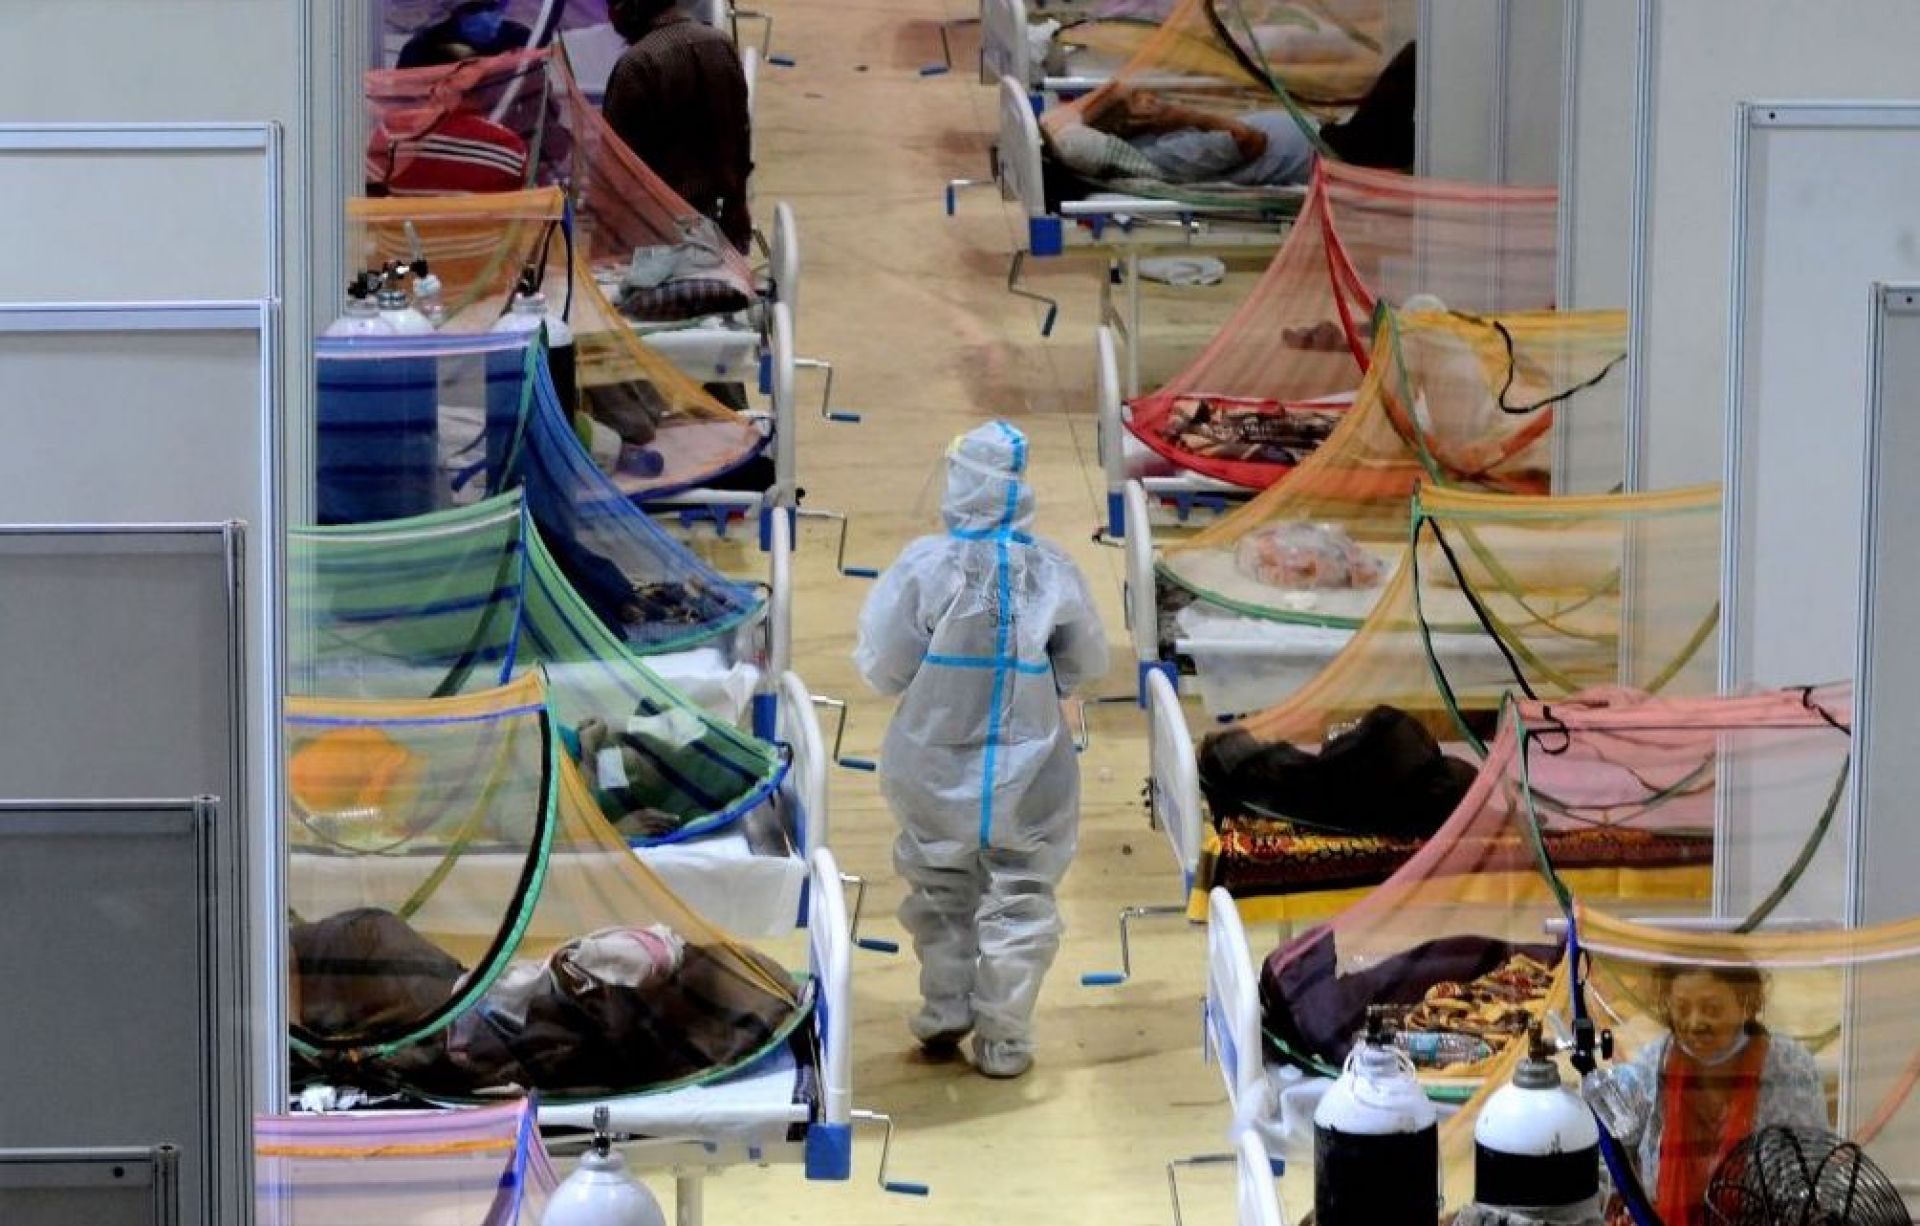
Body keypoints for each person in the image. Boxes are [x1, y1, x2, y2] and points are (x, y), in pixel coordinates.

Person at [854, 423, 1110, 1079]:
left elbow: (884, 662)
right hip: (1030, 762)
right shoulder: (1052, 568)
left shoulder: (925, 565)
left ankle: (945, 1007)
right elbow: (1084, 661)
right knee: (1023, 890)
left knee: (939, 881)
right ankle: (1006, 1035)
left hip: (933, 755)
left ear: (958, 481)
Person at [1582, 963, 1828, 1225]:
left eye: (1712, 1009)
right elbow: (1614, 1157)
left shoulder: (1787, 1069)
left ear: (1745, 1003)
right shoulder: (1654, 1066)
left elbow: (1811, 1176)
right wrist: (1623, 1206)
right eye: (1682, 1008)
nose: (1696, 1023)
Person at [602, 0, 754, 252]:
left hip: (654, 236)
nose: (611, 18)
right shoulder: (721, 44)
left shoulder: (636, 65)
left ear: (630, 8)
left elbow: (614, 170)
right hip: (716, 229)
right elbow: (741, 136)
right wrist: (737, 205)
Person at [1082, 86, 1316, 188]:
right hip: (1320, 156)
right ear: (1126, 122)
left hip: (1319, 140)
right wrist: (1185, 117)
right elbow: (1251, 141)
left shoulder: (1161, 132)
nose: (1150, 96)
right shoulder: (1164, 153)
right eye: (1136, 99)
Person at [396, 0, 534, 69]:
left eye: (493, 6)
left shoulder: (521, 38)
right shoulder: (421, 49)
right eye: (476, 8)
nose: (489, 16)